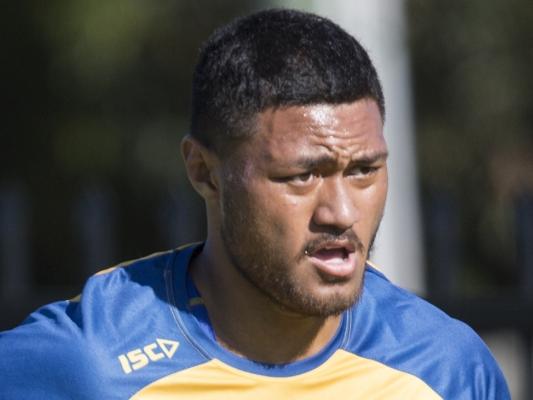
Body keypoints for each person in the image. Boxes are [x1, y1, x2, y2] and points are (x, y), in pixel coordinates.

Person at [0, 8, 510, 399]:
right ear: (204, 171)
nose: (341, 212)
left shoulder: (445, 370)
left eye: (363, 171)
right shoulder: (91, 360)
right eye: (301, 175)